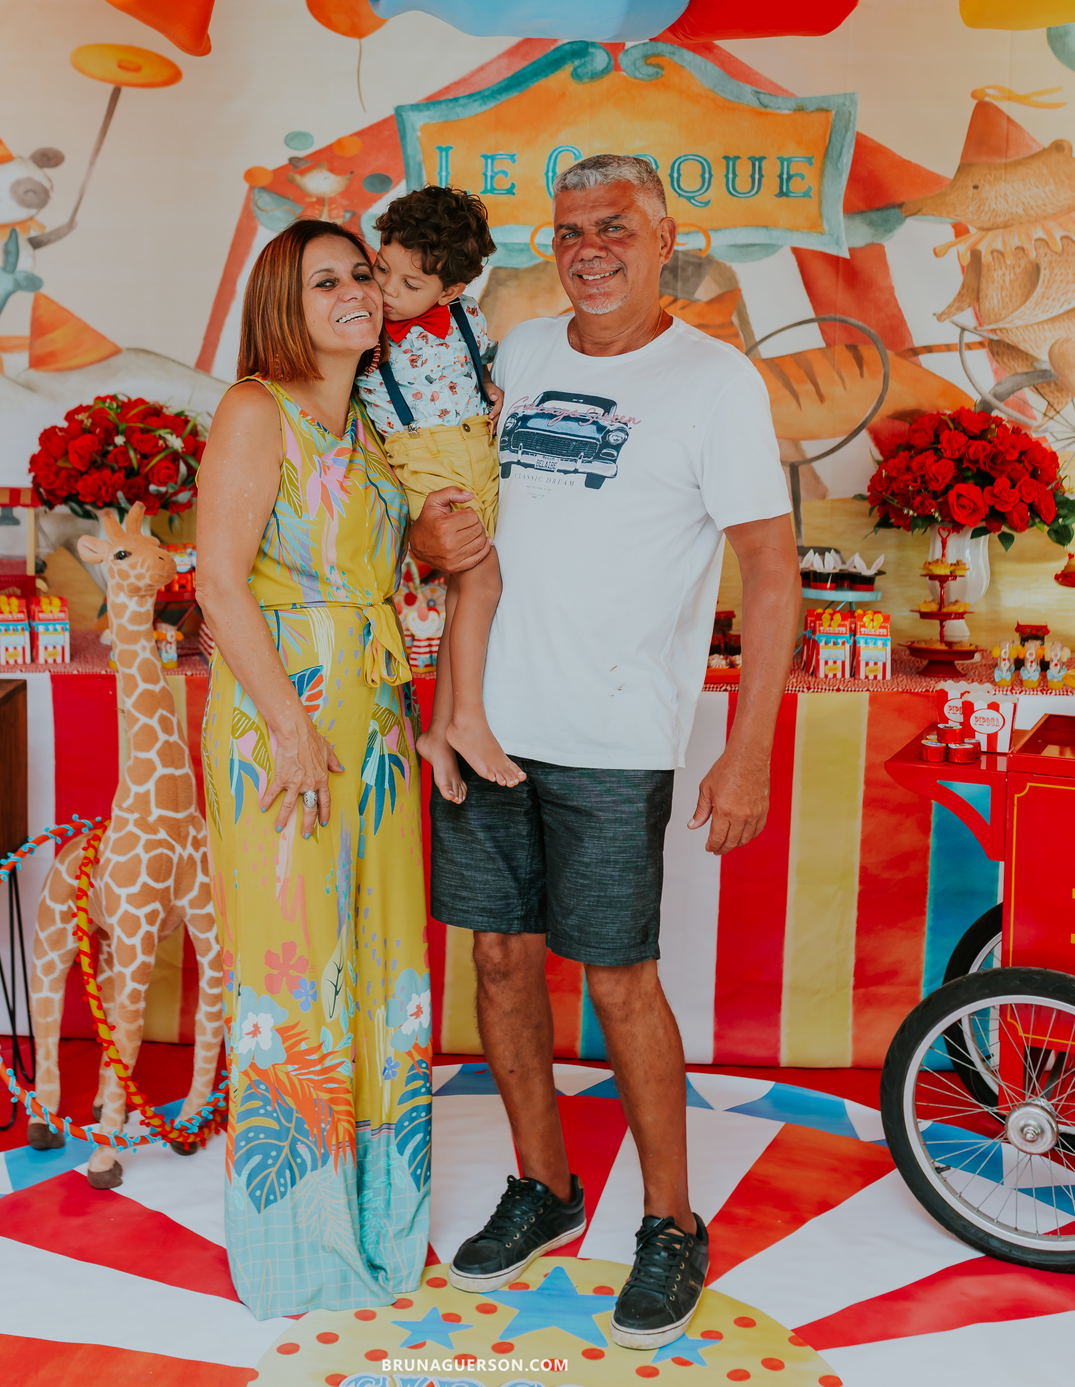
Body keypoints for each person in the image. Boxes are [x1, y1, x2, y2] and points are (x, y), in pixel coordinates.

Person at [411, 155, 800, 1351]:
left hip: (617, 735)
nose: (589, 249)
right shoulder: (519, 354)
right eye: (570, 230)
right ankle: (544, 1186)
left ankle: (670, 1224)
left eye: (615, 228)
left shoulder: (717, 382)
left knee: (620, 978)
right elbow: (455, 524)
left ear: (665, 238)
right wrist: (429, 543)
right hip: (489, 720)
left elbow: (771, 570)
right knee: (498, 962)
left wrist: (748, 749)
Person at [196, 221, 431, 1317]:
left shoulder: (372, 424)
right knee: (294, 957)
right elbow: (220, 583)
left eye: (362, 275)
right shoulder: (257, 410)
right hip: (280, 720)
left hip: (374, 720)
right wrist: (289, 725)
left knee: (378, 954)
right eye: (324, 280)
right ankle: (298, 1239)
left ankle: (380, 1214)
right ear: (282, 306)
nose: (356, 292)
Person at [357, 184, 522, 795]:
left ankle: (437, 731)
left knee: (465, 591)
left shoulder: (466, 316)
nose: (386, 291)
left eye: (409, 284)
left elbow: (470, 367)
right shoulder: (363, 333)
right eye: (382, 269)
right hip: (422, 458)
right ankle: (468, 720)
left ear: (450, 292)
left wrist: (491, 387)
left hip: (478, 451)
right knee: (484, 581)